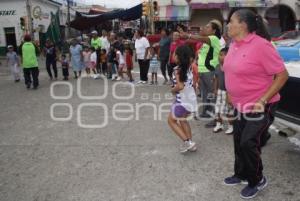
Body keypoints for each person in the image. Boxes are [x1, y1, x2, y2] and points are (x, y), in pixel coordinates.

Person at [223, 9, 288, 199]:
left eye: (231, 21)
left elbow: (282, 75)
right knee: (238, 140)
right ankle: (241, 174)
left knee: (248, 142)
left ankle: (257, 179)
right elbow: (231, 71)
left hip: (260, 105)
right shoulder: (234, 44)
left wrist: (263, 100)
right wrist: (229, 93)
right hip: (238, 103)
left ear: (242, 25)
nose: (228, 25)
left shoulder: (261, 46)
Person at [179, 20, 222, 118]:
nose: (205, 28)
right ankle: (206, 113)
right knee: (205, 93)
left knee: (212, 94)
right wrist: (185, 36)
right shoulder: (206, 42)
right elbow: (195, 40)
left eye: (208, 27)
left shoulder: (213, 38)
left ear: (214, 31)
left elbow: (198, 38)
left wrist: (188, 35)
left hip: (209, 71)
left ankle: (215, 116)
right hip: (202, 71)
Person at [168, 45, 198, 154]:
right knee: (183, 120)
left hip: (182, 102)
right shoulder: (189, 67)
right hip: (190, 101)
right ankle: (191, 144)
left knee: (171, 121)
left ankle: (187, 142)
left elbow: (180, 86)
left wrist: (172, 90)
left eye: (175, 54)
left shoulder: (177, 70)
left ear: (180, 57)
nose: (173, 56)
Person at [212, 47, 234, 134]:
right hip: (220, 91)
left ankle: (231, 126)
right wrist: (215, 89)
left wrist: (231, 93)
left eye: (222, 55)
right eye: (219, 55)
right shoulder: (217, 67)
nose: (220, 57)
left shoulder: (231, 67)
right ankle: (219, 124)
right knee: (218, 109)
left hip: (229, 92)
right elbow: (216, 78)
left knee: (229, 110)